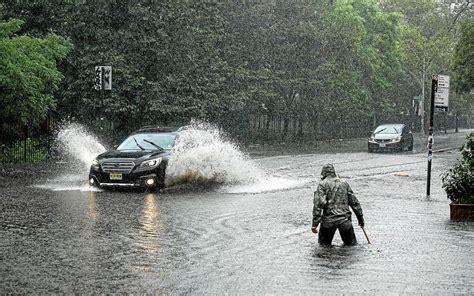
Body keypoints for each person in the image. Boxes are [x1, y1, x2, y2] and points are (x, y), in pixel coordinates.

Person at [311, 163, 364, 245]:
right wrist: (360, 218)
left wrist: (315, 224)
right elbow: (354, 203)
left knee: (323, 249)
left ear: (323, 173)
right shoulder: (344, 183)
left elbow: (318, 205)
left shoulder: (322, 185)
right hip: (345, 221)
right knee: (351, 248)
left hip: (328, 222)